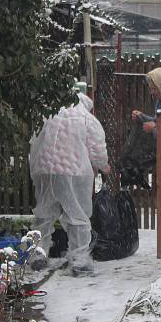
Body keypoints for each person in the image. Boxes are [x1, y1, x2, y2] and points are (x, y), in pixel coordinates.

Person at [28, 87, 109, 276]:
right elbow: (97, 149)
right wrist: (103, 165)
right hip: (73, 172)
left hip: (44, 171)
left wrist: (37, 170)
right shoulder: (86, 117)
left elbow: (34, 142)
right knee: (78, 215)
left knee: (44, 215)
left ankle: (38, 257)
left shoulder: (48, 114)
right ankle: (80, 263)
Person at [131, 67, 161, 133]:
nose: (152, 92)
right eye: (151, 89)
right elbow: (156, 120)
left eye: (154, 89)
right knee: (139, 126)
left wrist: (155, 128)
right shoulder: (160, 101)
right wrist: (141, 116)